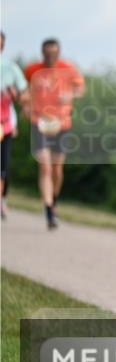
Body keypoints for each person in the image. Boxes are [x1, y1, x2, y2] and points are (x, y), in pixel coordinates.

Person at [23, 38, 84, 230]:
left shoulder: (68, 69)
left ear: (59, 53)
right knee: (45, 167)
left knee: (57, 168)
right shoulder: (32, 70)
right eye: (47, 54)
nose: (50, 57)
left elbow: (81, 89)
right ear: (42, 53)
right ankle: (48, 210)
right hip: (39, 122)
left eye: (54, 53)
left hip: (61, 123)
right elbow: (23, 89)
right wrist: (25, 104)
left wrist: (70, 95)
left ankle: (54, 201)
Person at [1, 31, 30, 220]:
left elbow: (25, 96)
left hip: (4, 124)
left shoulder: (11, 68)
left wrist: (15, 95)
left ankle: (2, 199)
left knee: (3, 166)